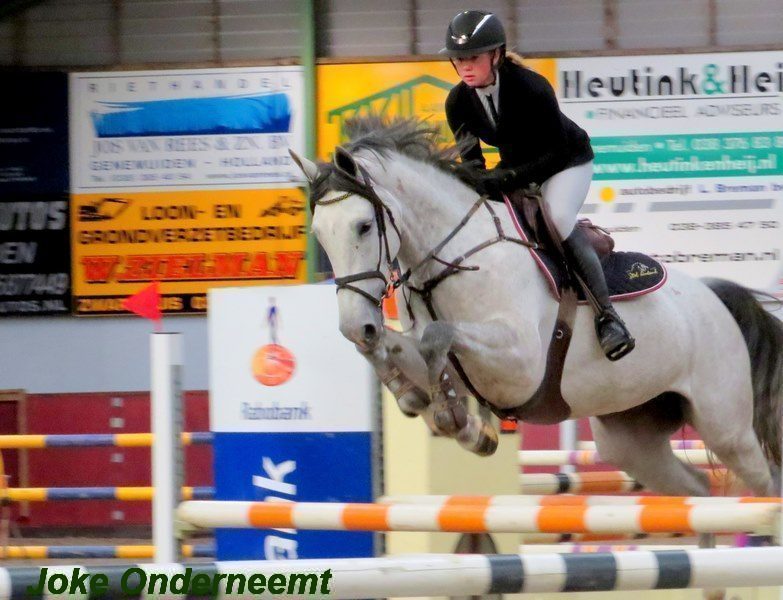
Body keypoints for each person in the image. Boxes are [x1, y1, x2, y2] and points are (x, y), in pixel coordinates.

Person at [441, 10, 635, 361]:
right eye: (459, 59)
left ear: (496, 55)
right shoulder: (457, 102)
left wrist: (506, 178)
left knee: (557, 219)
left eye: (474, 57)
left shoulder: (531, 87)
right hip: (517, 166)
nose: (465, 66)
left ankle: (609, 318)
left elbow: (556, 152)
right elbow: (473, 162)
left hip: (566, 162)